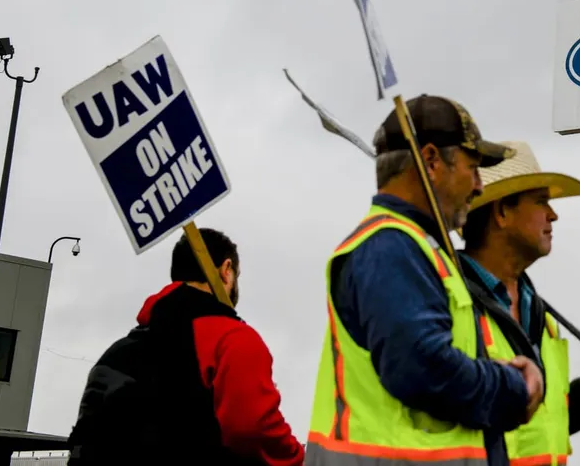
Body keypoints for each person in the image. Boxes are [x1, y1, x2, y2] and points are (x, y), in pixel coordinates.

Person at [306, 95, 543, 466]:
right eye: (473, 167)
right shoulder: (391, 247)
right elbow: (423, 368)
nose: (480, 186)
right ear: (431, 161)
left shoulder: (416, 249)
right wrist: (511, 387)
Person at [458, 141, 580, 464]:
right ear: (501, 212)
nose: (553, 214)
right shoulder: (444, 302)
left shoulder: (540, 316)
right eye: (541, 201)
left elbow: (542, 425)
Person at [67, 228, 304, 466]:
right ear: (226, 270)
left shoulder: (117, 352)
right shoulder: (232, 338)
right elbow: (252, 429)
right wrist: (303, 459)